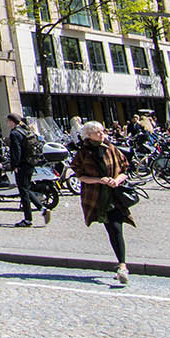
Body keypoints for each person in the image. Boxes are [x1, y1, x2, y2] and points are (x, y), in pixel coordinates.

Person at [71, 121, 134, 284]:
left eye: (102, 131)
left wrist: (116, 180)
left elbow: (125, 169)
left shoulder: (111, 148)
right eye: (97, 132)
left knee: (116, 229)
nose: (101, 134)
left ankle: (122, 266)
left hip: (115, 196)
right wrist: (99, 180)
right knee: (111, 230)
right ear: (88, 135)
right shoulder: (83, 153)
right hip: (97, 198)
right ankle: (121, 265)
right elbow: (80, 176)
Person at [6, 113, 49, 228]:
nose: (7, 123)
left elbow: (16, 151)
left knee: (23, 192)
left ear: (12, 121)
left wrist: (15, 165)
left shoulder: (15, 133)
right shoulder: (26, 131)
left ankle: (28, 219)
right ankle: (42, 209)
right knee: (26, 188)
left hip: (22, 165)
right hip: (31, 163)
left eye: (8, 121)